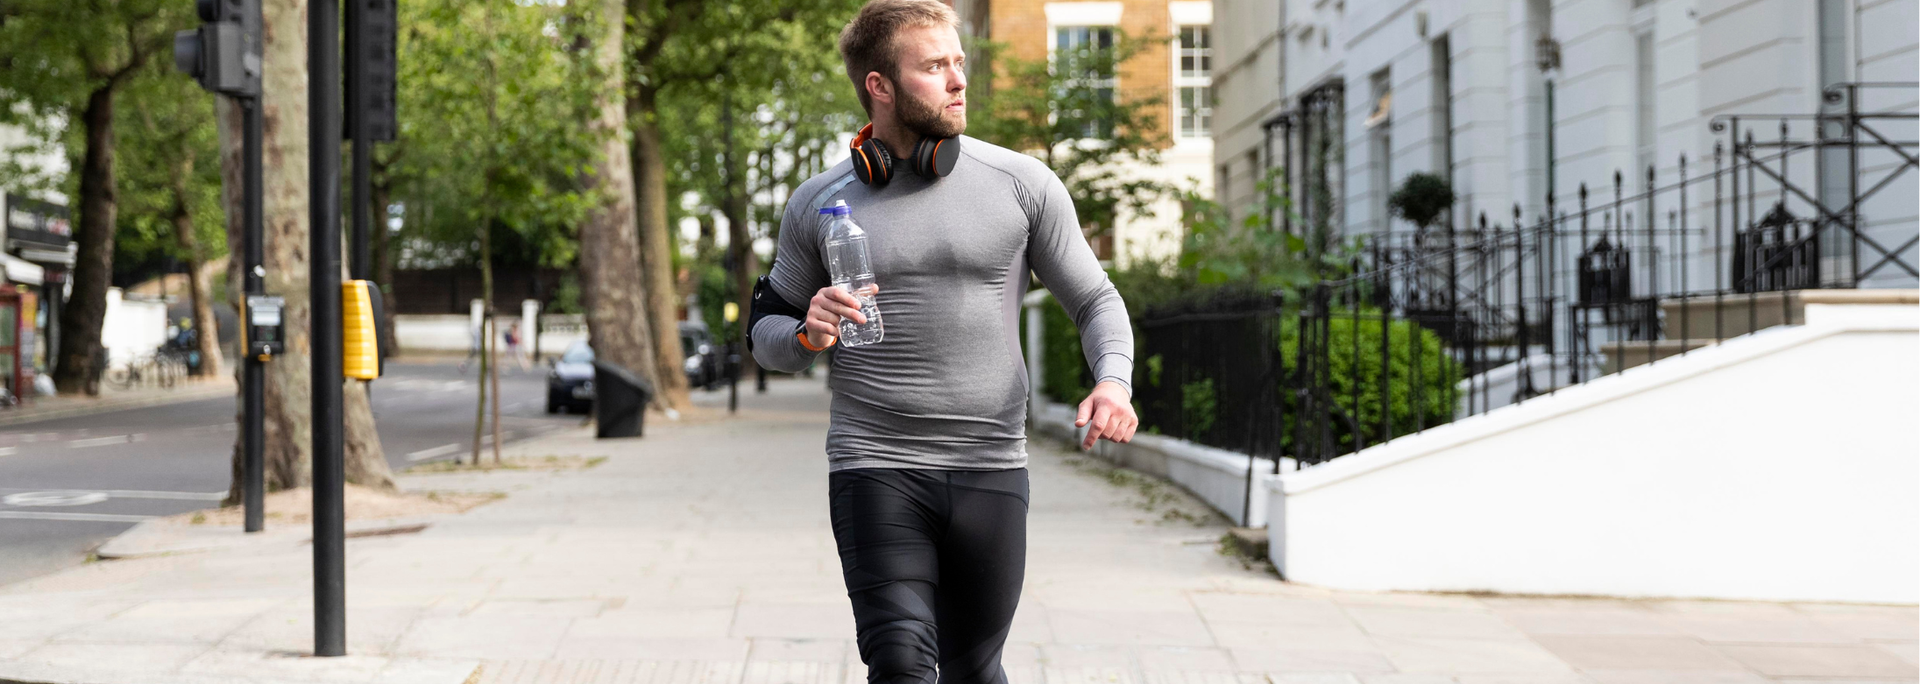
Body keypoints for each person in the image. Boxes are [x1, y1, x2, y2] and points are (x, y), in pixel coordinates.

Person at [750, 2, 1137, 682]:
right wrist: (807, 335)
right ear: (880, 86)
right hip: (873, 463)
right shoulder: (821, 202)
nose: (959, 80)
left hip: (991, 463)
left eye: (960, 63)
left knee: (972, 670)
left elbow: (1095, 299)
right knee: (900, 662)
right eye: (934, 66)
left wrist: (1113, 380)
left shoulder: (1022, 185)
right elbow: (763, 336)